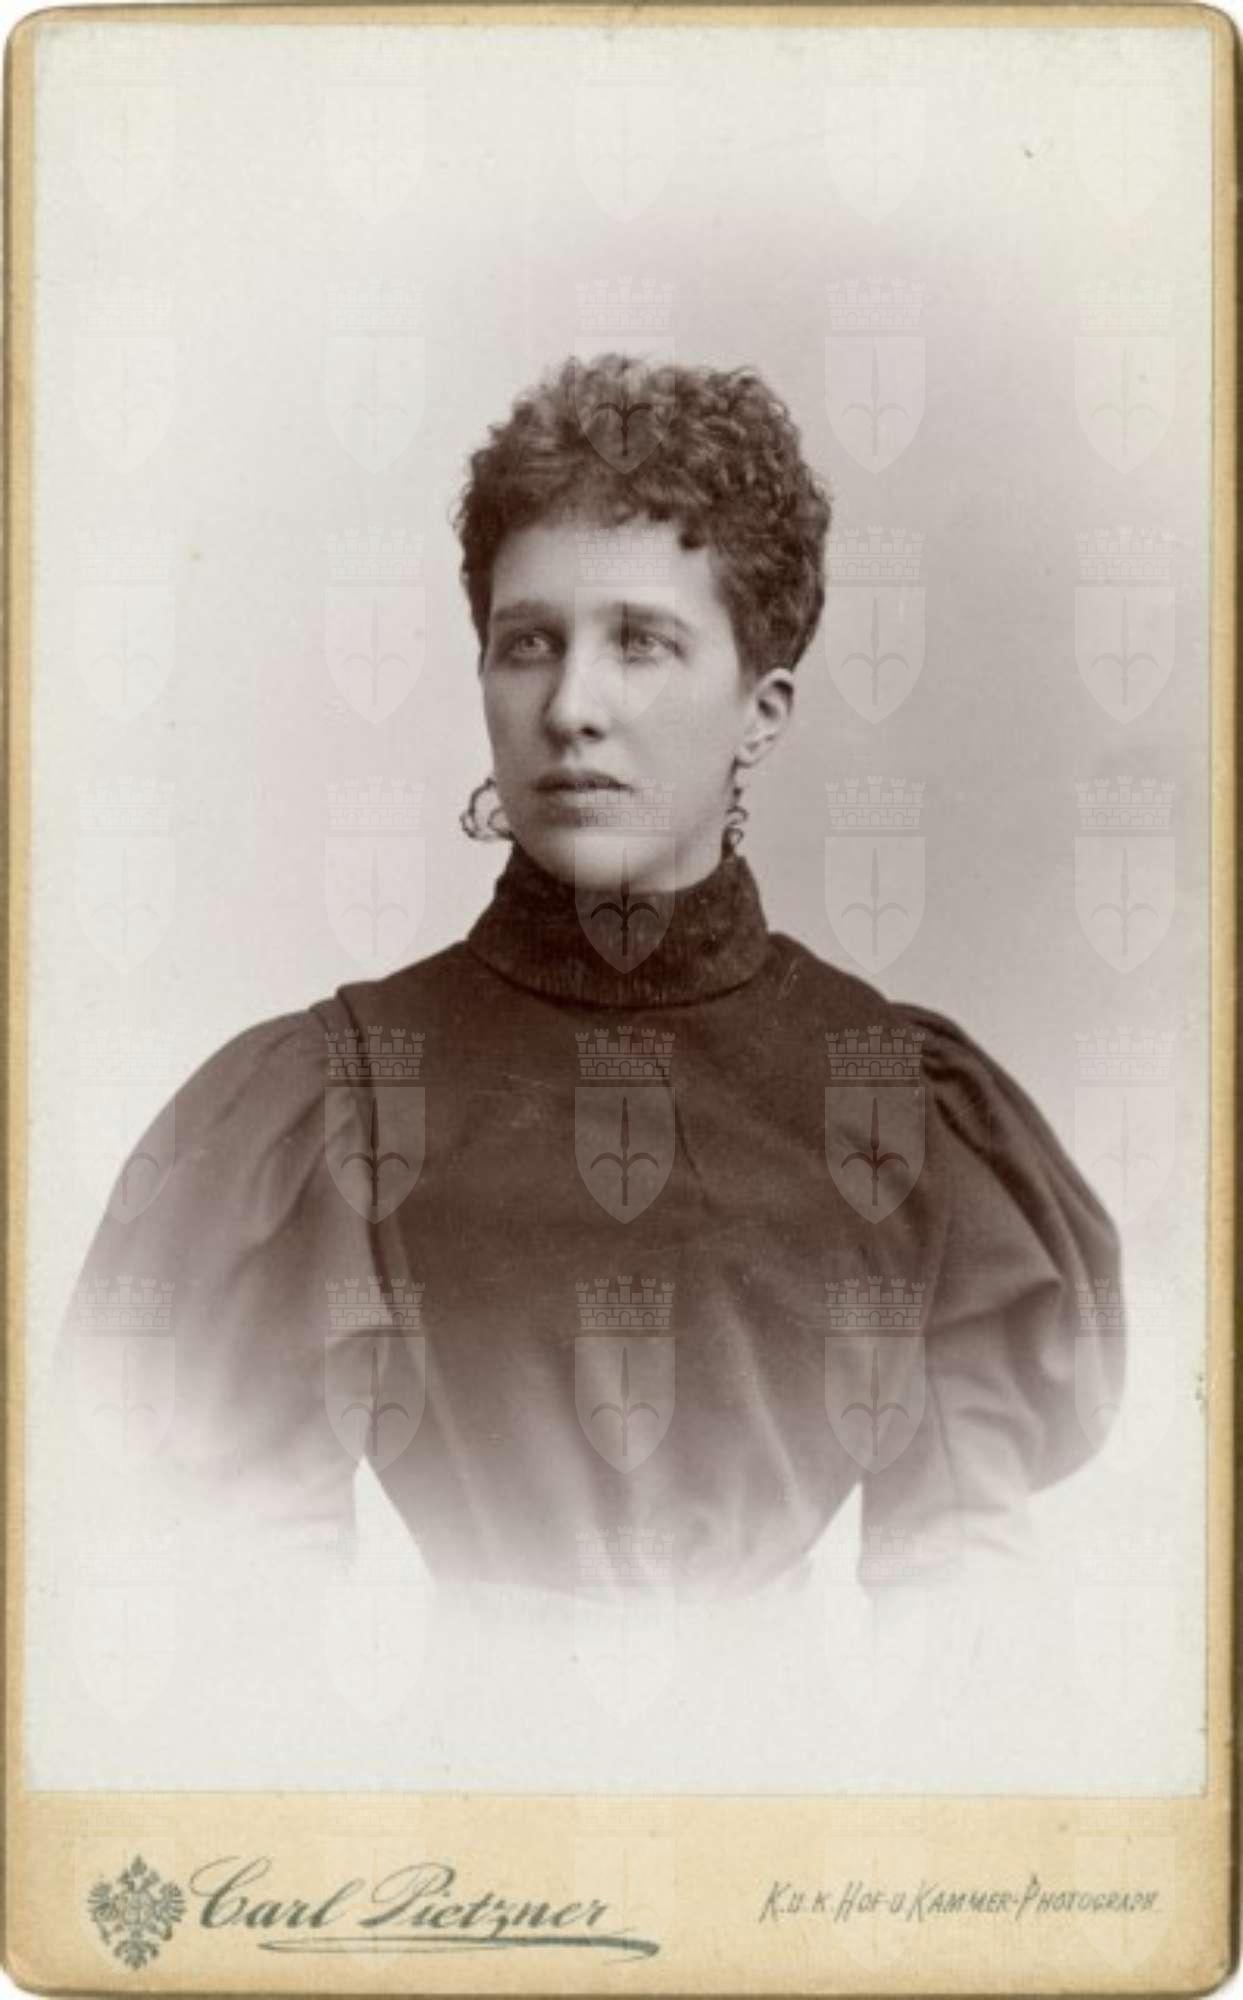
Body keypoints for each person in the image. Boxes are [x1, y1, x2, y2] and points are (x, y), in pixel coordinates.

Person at [61, 354, 1124, 1609]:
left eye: (641, 643)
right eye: (528, 644)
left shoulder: (903, 1100)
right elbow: (248, 1613)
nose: (570, 706)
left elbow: (964, 1621)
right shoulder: (334, 1100)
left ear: (763, 707)